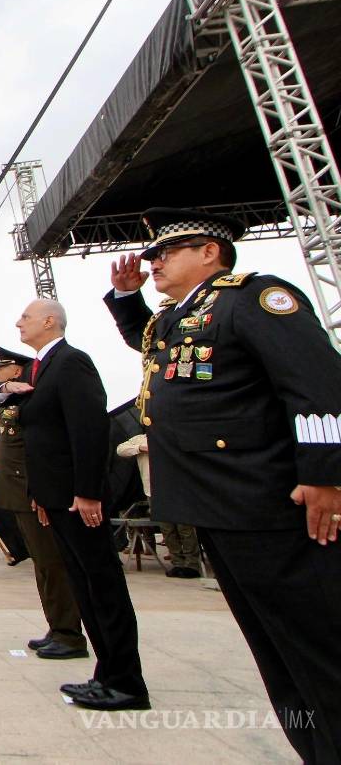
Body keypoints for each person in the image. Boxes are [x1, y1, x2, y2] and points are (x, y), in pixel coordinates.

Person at [104, 207, 341, 759]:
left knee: (318, 650)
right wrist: (127, 299)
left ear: (209, 252)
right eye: (153, 255)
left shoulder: (252, 299)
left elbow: (317, 384)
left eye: (167, 252)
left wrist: (325, 475)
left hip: (266, 503)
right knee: (277, 653)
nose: (154, 262)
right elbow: (156, 348)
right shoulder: (182, 316)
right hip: (217, 505)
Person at [8, 299, 148, 711]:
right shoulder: (42, 368)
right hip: (56, 498)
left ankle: (126, 682)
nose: (19, 322)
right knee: (85, 586)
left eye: (26, 316)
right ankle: (107, 675)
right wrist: (40, 494)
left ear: (49, 321)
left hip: (78, 499)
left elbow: (89, 431)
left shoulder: (72, 362)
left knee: (102, 586)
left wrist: (87, 492)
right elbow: (44, 437)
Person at [0, 345, 88, 660]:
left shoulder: (32, 397)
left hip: (32, 493)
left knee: (52, 564)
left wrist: (41, 493)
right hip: (19, 493)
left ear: (17, 370)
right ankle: (57, 628)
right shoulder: (12, 397)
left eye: (0, 368)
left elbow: (40, 450)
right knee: (42, 565)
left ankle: (69, 635)